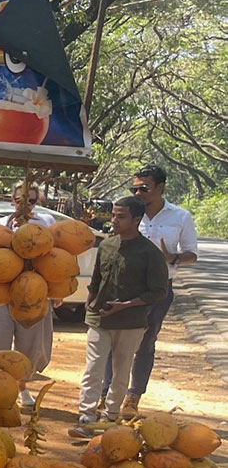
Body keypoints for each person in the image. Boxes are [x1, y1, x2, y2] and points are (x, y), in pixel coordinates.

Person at [103, 164, 199, 417]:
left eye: (144, 188)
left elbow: (192, 254)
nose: (138, 193)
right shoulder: (126, 214)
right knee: (113, 340)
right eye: (134, 188)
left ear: (160, 187)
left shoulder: (180, 217)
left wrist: (173, 257)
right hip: (122, 287)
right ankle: (106, 395)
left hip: (157, 290)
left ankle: (133, 398)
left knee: (145, 342)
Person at [70, 196, 169, 437]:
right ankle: (86, 416)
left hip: (131, 323)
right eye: (114, 215)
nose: (115, 220)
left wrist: (125, 306)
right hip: (99, 319)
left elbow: (159, 292)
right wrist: (89, 301)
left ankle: (110, 416)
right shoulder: (106, 245)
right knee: (93, 368)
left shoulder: (150, 253)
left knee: (121, 369)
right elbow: (96, 279)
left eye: (121, 216)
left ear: (137, 220)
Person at [0, 183, 56, 411]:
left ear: (38, 201)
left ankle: (22, 387)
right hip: (1, 294)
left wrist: (54, 291)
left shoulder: (46, 224)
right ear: (13, 200)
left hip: (33, 296)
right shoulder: (0, 226)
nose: (25, 206)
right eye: (21, 200)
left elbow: (53, 259)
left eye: (31, 201)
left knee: (30, 347)